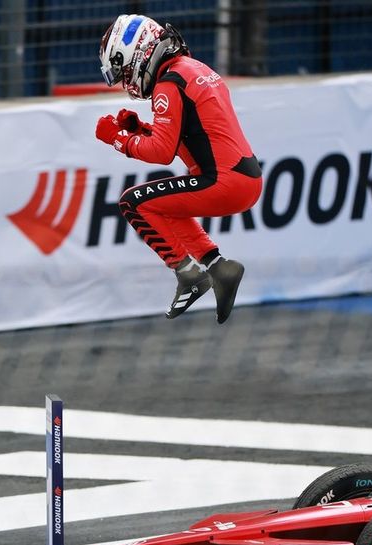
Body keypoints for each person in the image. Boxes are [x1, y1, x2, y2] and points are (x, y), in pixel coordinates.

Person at [96, 14, 262, 324]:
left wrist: (118, 138)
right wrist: (139, 128)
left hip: (224, 182)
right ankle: (219, 268)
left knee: (133, 202)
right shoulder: (193, 68)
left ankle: (188, 275)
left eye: (125, 71)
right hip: (244, 177)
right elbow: (184, 138)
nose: (128, 83)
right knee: (166, 206)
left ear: (139, 53)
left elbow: (161, 152)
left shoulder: (169, 83)